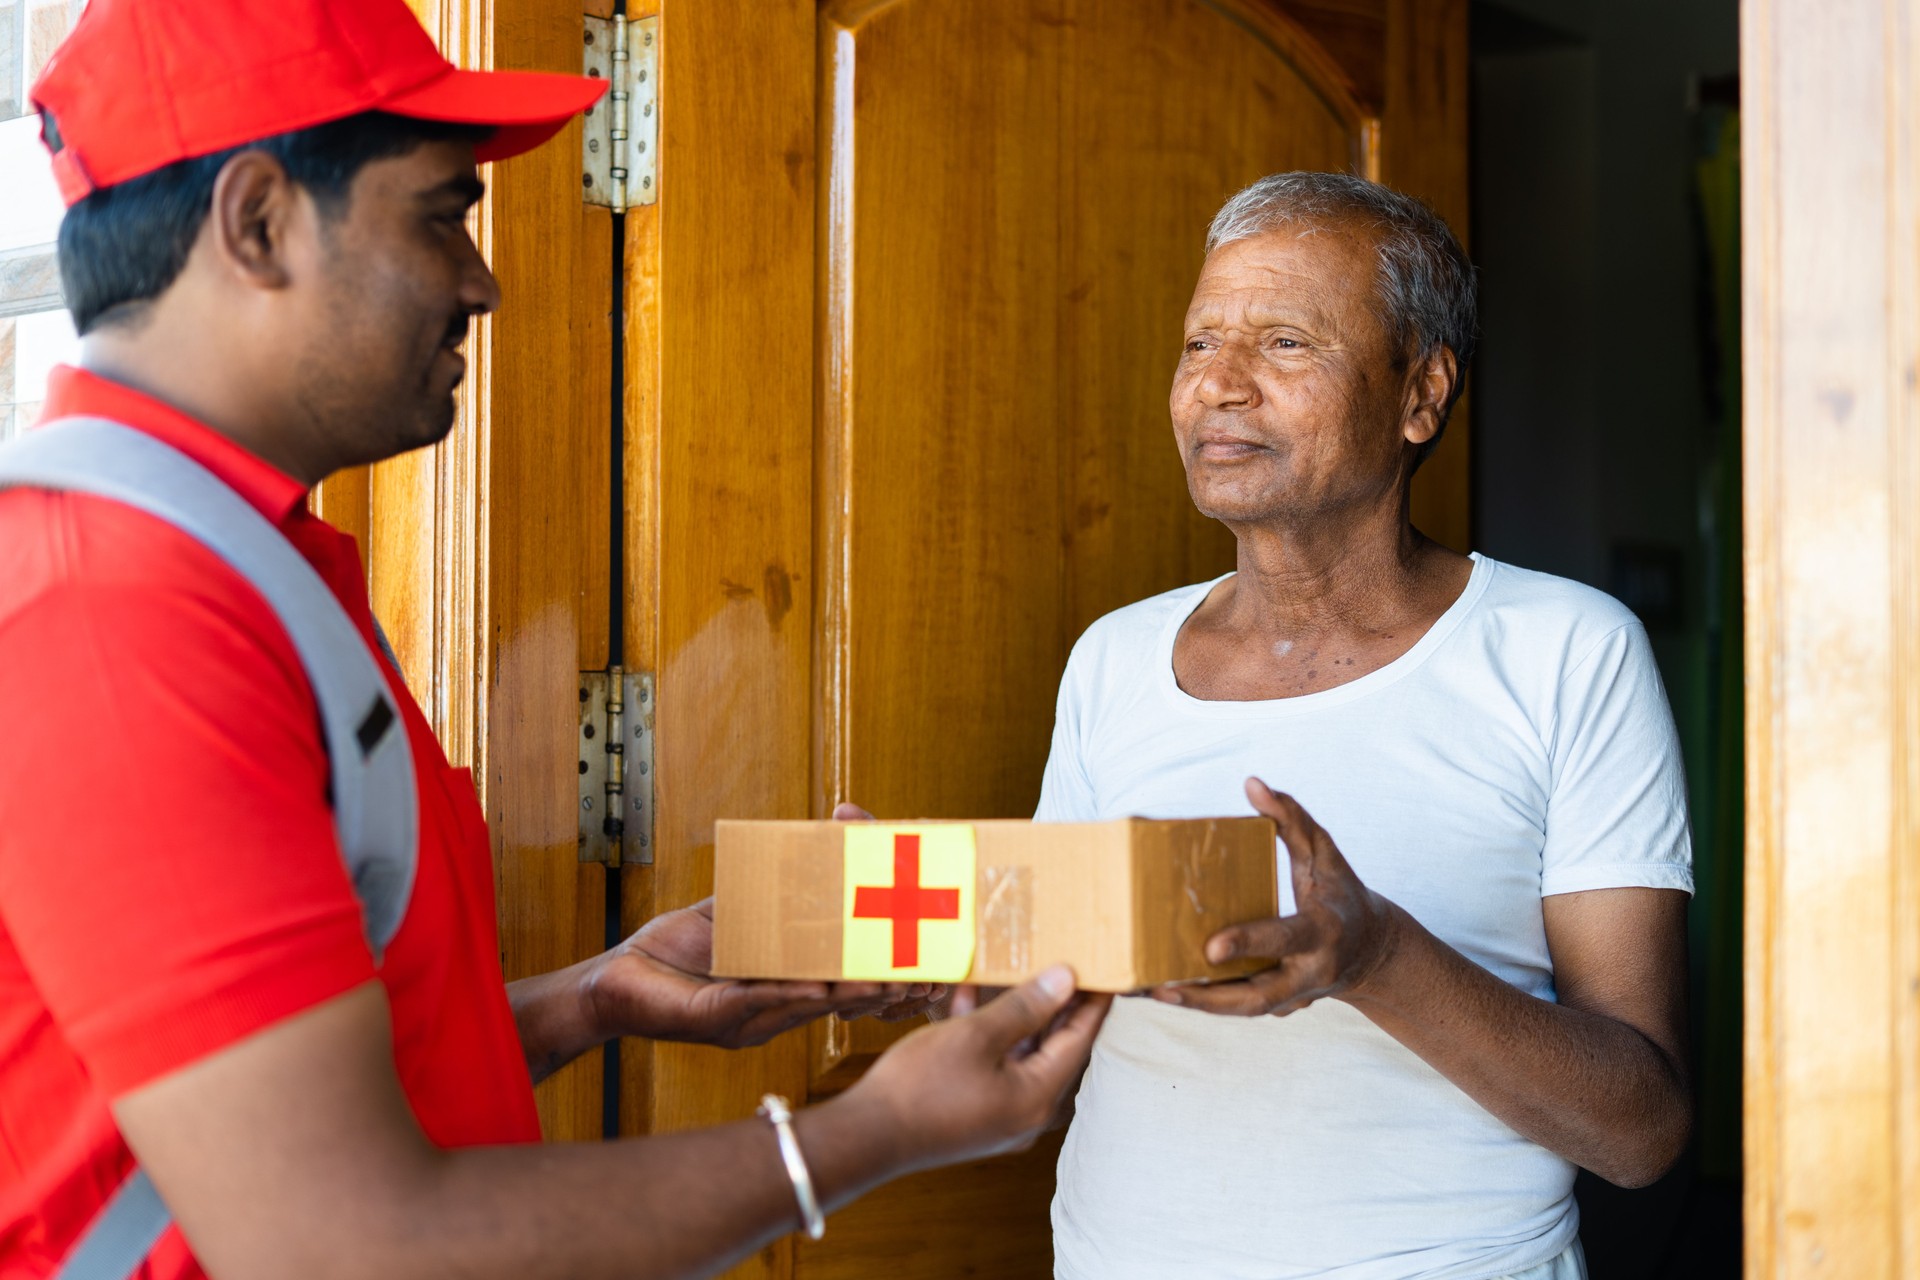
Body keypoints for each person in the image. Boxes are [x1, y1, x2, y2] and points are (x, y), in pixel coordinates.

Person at [0, 2, 1108, 1277]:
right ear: (258, 221)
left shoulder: (237, 562)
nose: (482, 279)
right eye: (438, 214)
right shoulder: (114, 612)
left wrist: (598, 993)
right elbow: (342, 1241)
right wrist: (872, 1131)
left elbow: (294, 1084)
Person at [1032, 172, 1693, 1279]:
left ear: (1420, 393)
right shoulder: (1114, 660)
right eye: (1200, 346)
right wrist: (899, 950)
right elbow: (1050, 1007)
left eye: (1285, 343)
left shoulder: (1566, 650)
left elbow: (1641, 1130)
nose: (1220, 387)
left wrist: (1374, 952)